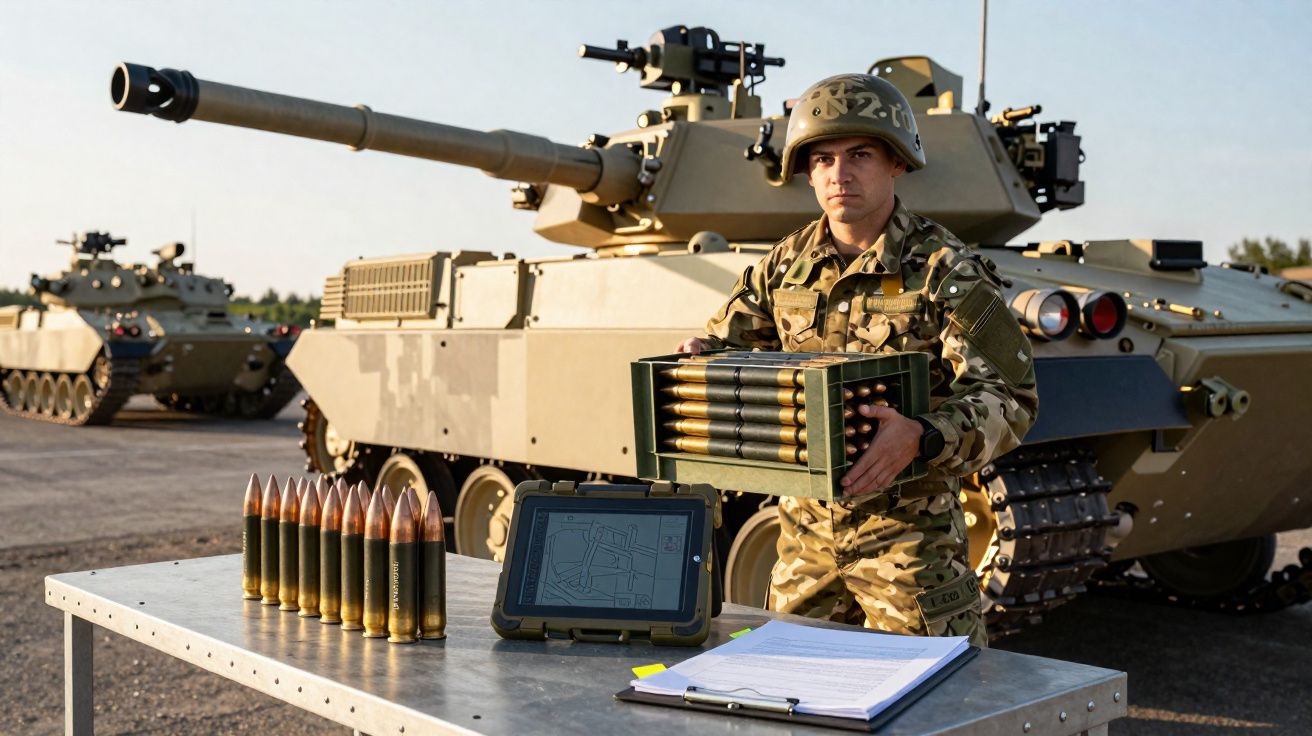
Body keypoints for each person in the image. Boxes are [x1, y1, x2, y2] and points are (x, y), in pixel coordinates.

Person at [676, 74, 1038, 647]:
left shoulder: (946, 269)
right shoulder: (783, 265)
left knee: (933, 703)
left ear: (896, 162)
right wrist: (705, 357)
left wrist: (923, 435)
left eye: (859, 155)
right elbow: (731, 346)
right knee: (795, 694)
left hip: (910, 545)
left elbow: (1010, 398)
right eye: (822, 159)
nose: (839, 175)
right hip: (804, 539)